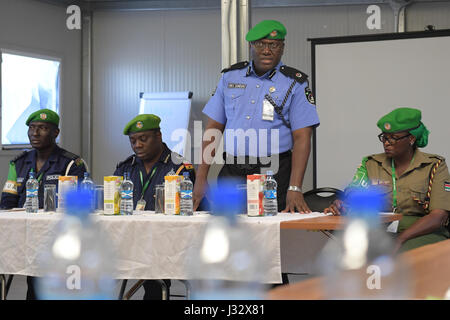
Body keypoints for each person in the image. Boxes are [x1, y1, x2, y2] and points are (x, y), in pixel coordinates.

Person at [193, 19, 320, 215]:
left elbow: (302, 138)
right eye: (260, 44)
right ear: (251, 46)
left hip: (272, 173)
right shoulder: (230, 77)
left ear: (282, 48)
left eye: (273, 45)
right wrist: (201, 178)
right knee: (227, 229)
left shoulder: (295, 83)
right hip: (232, 171)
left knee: (267, 234)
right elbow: (213, 129)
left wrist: (295, 187)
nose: (267, 50)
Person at [325, 107, 450, 253]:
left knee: (403, 255)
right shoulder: (371, 164)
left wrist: (400, 238)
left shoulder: (434, 165)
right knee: (346, 251)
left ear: (411, 139)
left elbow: (438, 216)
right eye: (384, 137)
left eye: (393, 138)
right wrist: (342, 205)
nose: (386, 143)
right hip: (380, 231)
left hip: (422, 232)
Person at [114, 114, 205, 300]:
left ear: (159, 136)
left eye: (143, 139)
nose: (137, 145)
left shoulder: (180, 167)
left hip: (170, 242)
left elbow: (192, 214)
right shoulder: (125, 168)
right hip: (132, 240)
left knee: (155, 278)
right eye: (133, 140)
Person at [0, 108, 87, 299]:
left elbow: (79, 207)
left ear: (55, 132)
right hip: (25, 238)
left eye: (42, 128)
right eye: (31, 128)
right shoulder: (19, 163)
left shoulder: (71, 164)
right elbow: (7, 202)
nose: (35, 133)